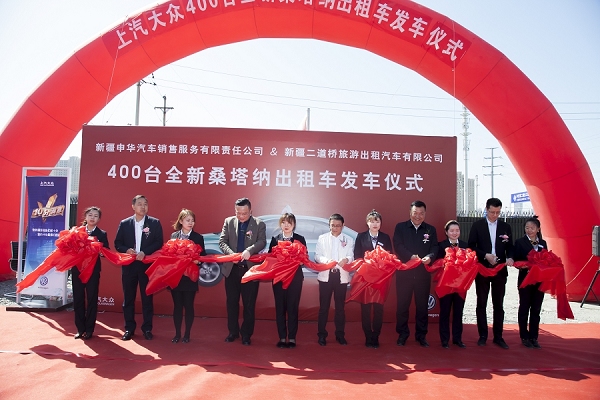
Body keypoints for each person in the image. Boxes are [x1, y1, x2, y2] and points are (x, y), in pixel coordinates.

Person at [114, 195, 163, 341]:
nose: (143, 207)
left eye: (145, 204)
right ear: (133, 206)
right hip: (129, 266)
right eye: (140, 204)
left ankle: (147, 329)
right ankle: (129, 328)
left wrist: (145, 252)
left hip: (146, 265)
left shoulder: (154, 223)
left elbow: (159, 242)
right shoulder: (125, 223)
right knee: (128, 298)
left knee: (147, 299)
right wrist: (127, 250)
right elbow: (118, 243)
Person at [219, 197, 266, 346]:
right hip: (232, 270)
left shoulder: (259, 224)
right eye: (238, 213)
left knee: (249, 304)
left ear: (250, 211)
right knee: (232, 303)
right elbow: (222, 242)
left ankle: (246, 334)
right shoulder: (229, 222)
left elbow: (262, 241)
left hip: (250, 270)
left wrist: (250, 250)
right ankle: (233, 332)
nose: (241, 216)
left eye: (244, 213)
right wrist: (231, 255)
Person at [468, 197, 514, 349]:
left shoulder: (506, 227)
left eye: (498, 212)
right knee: (481, 303)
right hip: (483, 269)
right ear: (486, 210)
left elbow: (510, 246)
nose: (495, 215)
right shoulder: (477, 225)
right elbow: (471, 246)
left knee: (498, 304)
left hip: (500, 270)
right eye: (492, 212)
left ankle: (498, 337)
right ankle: (483, 335)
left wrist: (510, 257)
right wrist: (485, 255)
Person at [393, 200, 438, 348]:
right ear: (410, 213)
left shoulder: (430, 229)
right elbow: (398, 245)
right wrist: (410, 256)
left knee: (422, 307)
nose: (418, 216)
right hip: (404, 274)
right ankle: (402, 334)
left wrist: (430, 257)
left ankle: (421, 335)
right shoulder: (401, 227)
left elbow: (435, 247)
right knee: (402, 306)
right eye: (415, 213)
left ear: (425, 214)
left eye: (421, 213)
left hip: (422, 275)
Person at [353, 210, 393, 348]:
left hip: (380, 279)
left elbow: (390, 256)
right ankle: (368, 336)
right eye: (372, 221)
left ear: (380, 223)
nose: (374, 224)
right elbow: (357, 256)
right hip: (365, 278)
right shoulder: (361, 237)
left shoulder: (385, 237)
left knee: (378, 308)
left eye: (377, 221)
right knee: (365, 308)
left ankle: (376, 336)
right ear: (367, 223)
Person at [315, 213, 354, 346]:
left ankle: (340, 334)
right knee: (323, 307)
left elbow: (351, 256)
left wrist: (346, 259)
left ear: (343, 226)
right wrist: (327, 261)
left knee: (340, 308)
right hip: (326, 275)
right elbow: (317, 256)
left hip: (341, 276)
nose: (335, 228)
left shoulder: (349, 239)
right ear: (329, 225)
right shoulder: (322, 238)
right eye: (333, 225)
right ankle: (322, 335)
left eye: (338, 225)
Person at [268, 213, 307, 349]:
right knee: (280, 308)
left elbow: (304, 258)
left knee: (292, 307)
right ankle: (282, 337)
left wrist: (298, 260)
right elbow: (270, 258)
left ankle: (291, 338)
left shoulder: (300, 239)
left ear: (294, 225)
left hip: (294, 279)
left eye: (289, 223)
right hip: (279, 279)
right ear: (280, 224)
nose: (286, 225)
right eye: (284, 222)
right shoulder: (275, 239)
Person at [169, 209, 207, 344]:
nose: (191, 223)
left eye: (192, 221)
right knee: (177, 306)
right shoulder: (174, 235)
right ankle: (177, 334)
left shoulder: (198, 237)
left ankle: (187, 334)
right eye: (188, 220)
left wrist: (197, 261)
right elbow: (168, 255)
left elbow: (203, 257)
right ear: (181, 221)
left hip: (190, 277)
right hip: (176, 276)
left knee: (189, 305)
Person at [72, 206, 109, 340]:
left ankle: (89, 330)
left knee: (92, 299)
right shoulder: (77, 231)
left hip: (92, 270)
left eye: (95, 216)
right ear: (86, 217)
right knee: (78, 299)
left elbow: (106, 251)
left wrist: (99, 249)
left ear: (99, 219)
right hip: (78, 269)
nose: (92, 218)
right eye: (90, 215)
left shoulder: (102, 234)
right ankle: (80, 329)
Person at [513, 216, 546, 349]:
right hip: (525, 280)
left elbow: (547, 259)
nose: (529, 230)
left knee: (536, 309)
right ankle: (524, 336)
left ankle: (534, 337)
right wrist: (525, 265)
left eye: (532, 228)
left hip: (539, 281)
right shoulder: (520, 242)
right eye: (527, 228)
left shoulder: (543, 243)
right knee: (524, 307)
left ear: (538, 229)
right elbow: (516, 260)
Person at [437, 220, 468, 349]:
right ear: (446, 232)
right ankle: (444, 340)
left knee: (458, 312)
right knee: (445, 312)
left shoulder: (465, 246)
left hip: (460, 285)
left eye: (457, 230)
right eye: (452, 231)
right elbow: (437, 262)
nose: (455, 233)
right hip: (446, 285)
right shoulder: (441, 246)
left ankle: (457, 339)